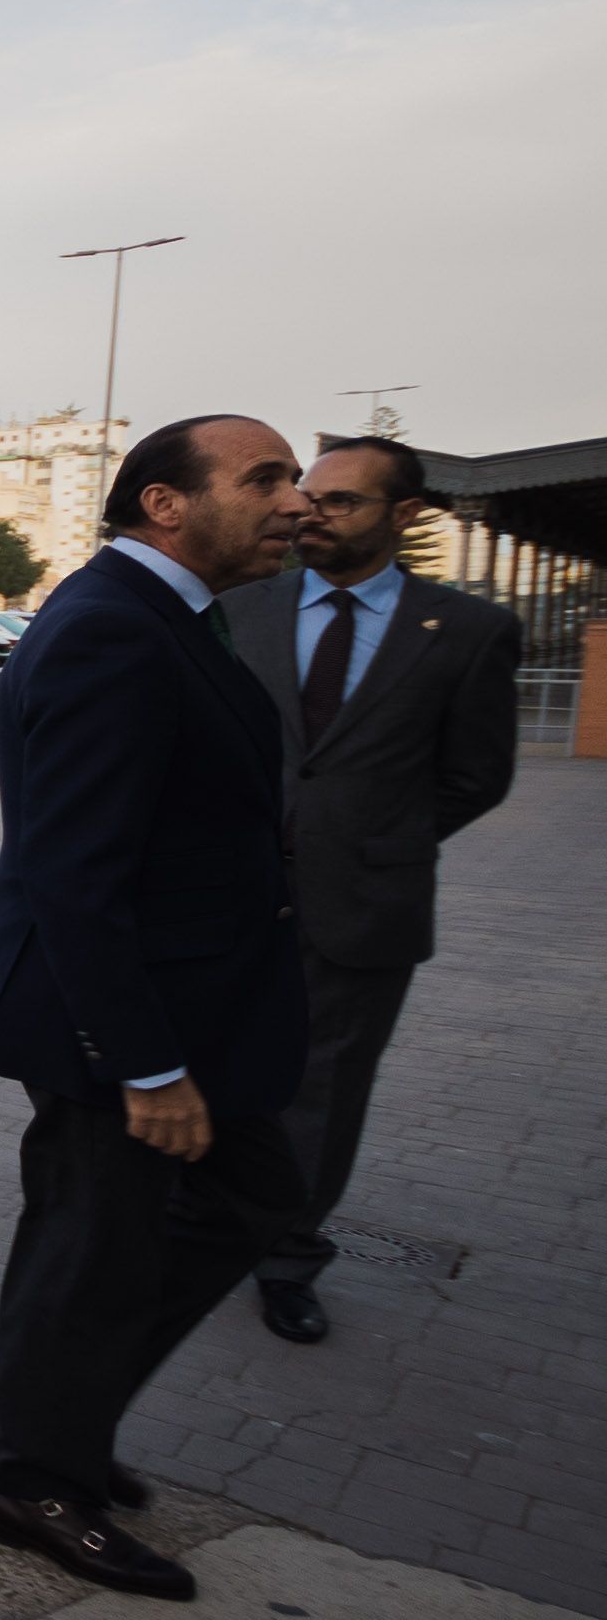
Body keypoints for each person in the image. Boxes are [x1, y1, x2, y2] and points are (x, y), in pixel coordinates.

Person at [0, 415, 314, 1601]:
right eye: (264, 478)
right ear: (165, 503)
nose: (293, 502)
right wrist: (146, 1066)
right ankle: (30, 1478)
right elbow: (76, 871)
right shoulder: (115, 629)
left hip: (184, 1008)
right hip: (121, 1022)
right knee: (100, 1245)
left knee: (234, 1200)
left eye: (297, 479)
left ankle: (42, 1394)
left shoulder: (162, 616)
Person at [221, 433, 521, 1347]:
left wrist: (376, 844)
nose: (312, 513)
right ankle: (196, 1229)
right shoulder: (240, 608)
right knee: (202, 1068)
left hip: (362, 909)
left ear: (407, 514)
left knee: (322, 1090)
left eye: (342, 501)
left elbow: (476, 776)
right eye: (309, 497)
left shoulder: (466, 631)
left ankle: (285, 1260)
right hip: (226, 895)